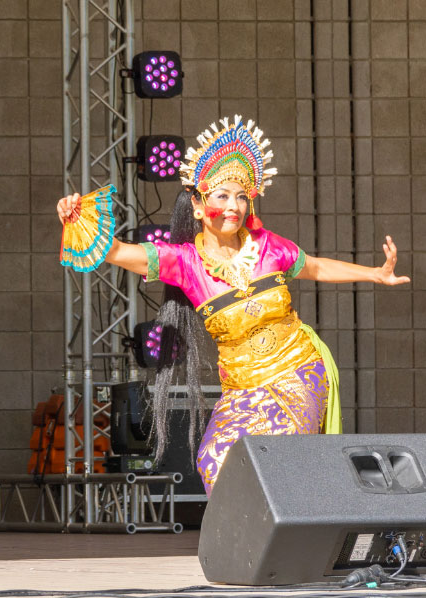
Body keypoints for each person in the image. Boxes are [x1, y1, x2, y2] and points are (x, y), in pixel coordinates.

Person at [57, 116, 409, 494]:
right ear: (197, 203)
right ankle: (256, 549)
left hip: (299, 370)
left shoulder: (269, 248)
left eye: (242, 196)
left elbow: (318, 267)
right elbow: (115, 251)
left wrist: (376, 274)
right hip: (243, 387)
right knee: (215, 460)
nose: (234, 206)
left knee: (280, 454)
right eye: (222, 195)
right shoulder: (186, 263)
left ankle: (294, 541)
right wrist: (75, 216)